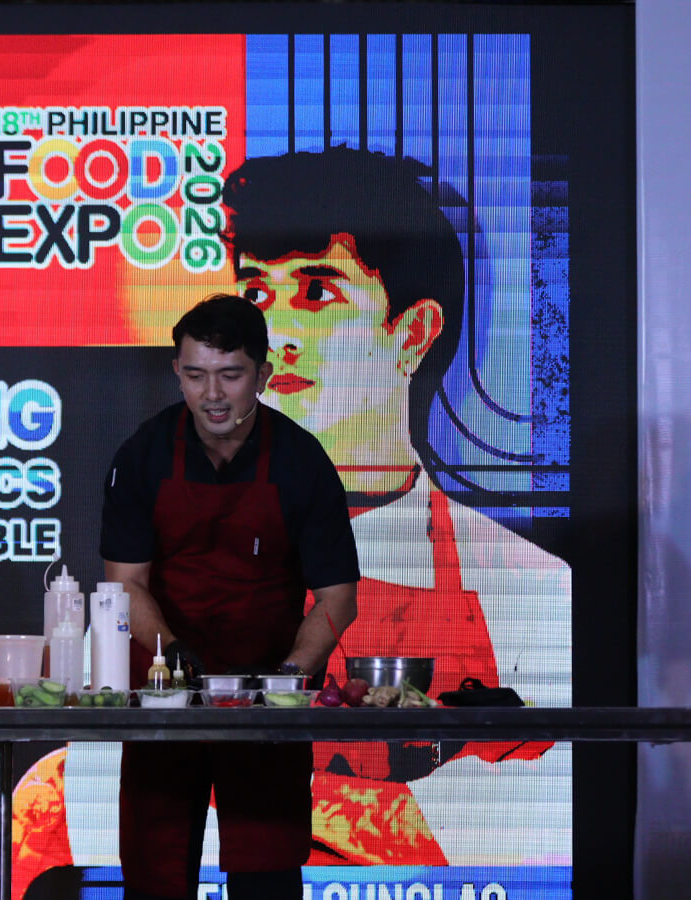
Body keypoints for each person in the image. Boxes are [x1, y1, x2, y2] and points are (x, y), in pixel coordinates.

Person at [221, 146, 572, 865]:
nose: (272, 338)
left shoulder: (527, 584)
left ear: (412, 333)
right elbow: (103, 777)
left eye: (316, 292)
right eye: (256, 295)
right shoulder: (194, 561)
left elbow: (546, 810)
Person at [99, 293, 360, 900]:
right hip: (165, 698)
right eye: (195, 375)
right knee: (156, 875)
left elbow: (338, 598)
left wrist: (288, 680)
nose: (212, 394)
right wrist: (170, 653)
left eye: (230, 375)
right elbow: (125, 582)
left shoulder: (301, 462)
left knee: (266, 875)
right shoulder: (142, 456)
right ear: (176, 372)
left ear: (263, 375)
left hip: (266, 707)